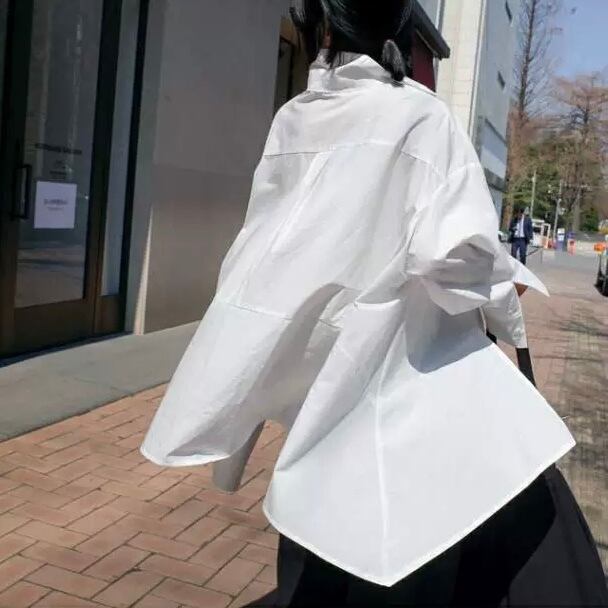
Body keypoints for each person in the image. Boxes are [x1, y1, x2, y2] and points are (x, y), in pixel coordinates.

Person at [141, 1, 608, 605]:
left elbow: (262, 251)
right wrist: (509, 287)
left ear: (321, 25)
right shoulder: (422, 117)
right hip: (414, 392)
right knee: (456, 547)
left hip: (327, 400)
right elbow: (458, 260)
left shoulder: (295, 119)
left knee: (326, 554)